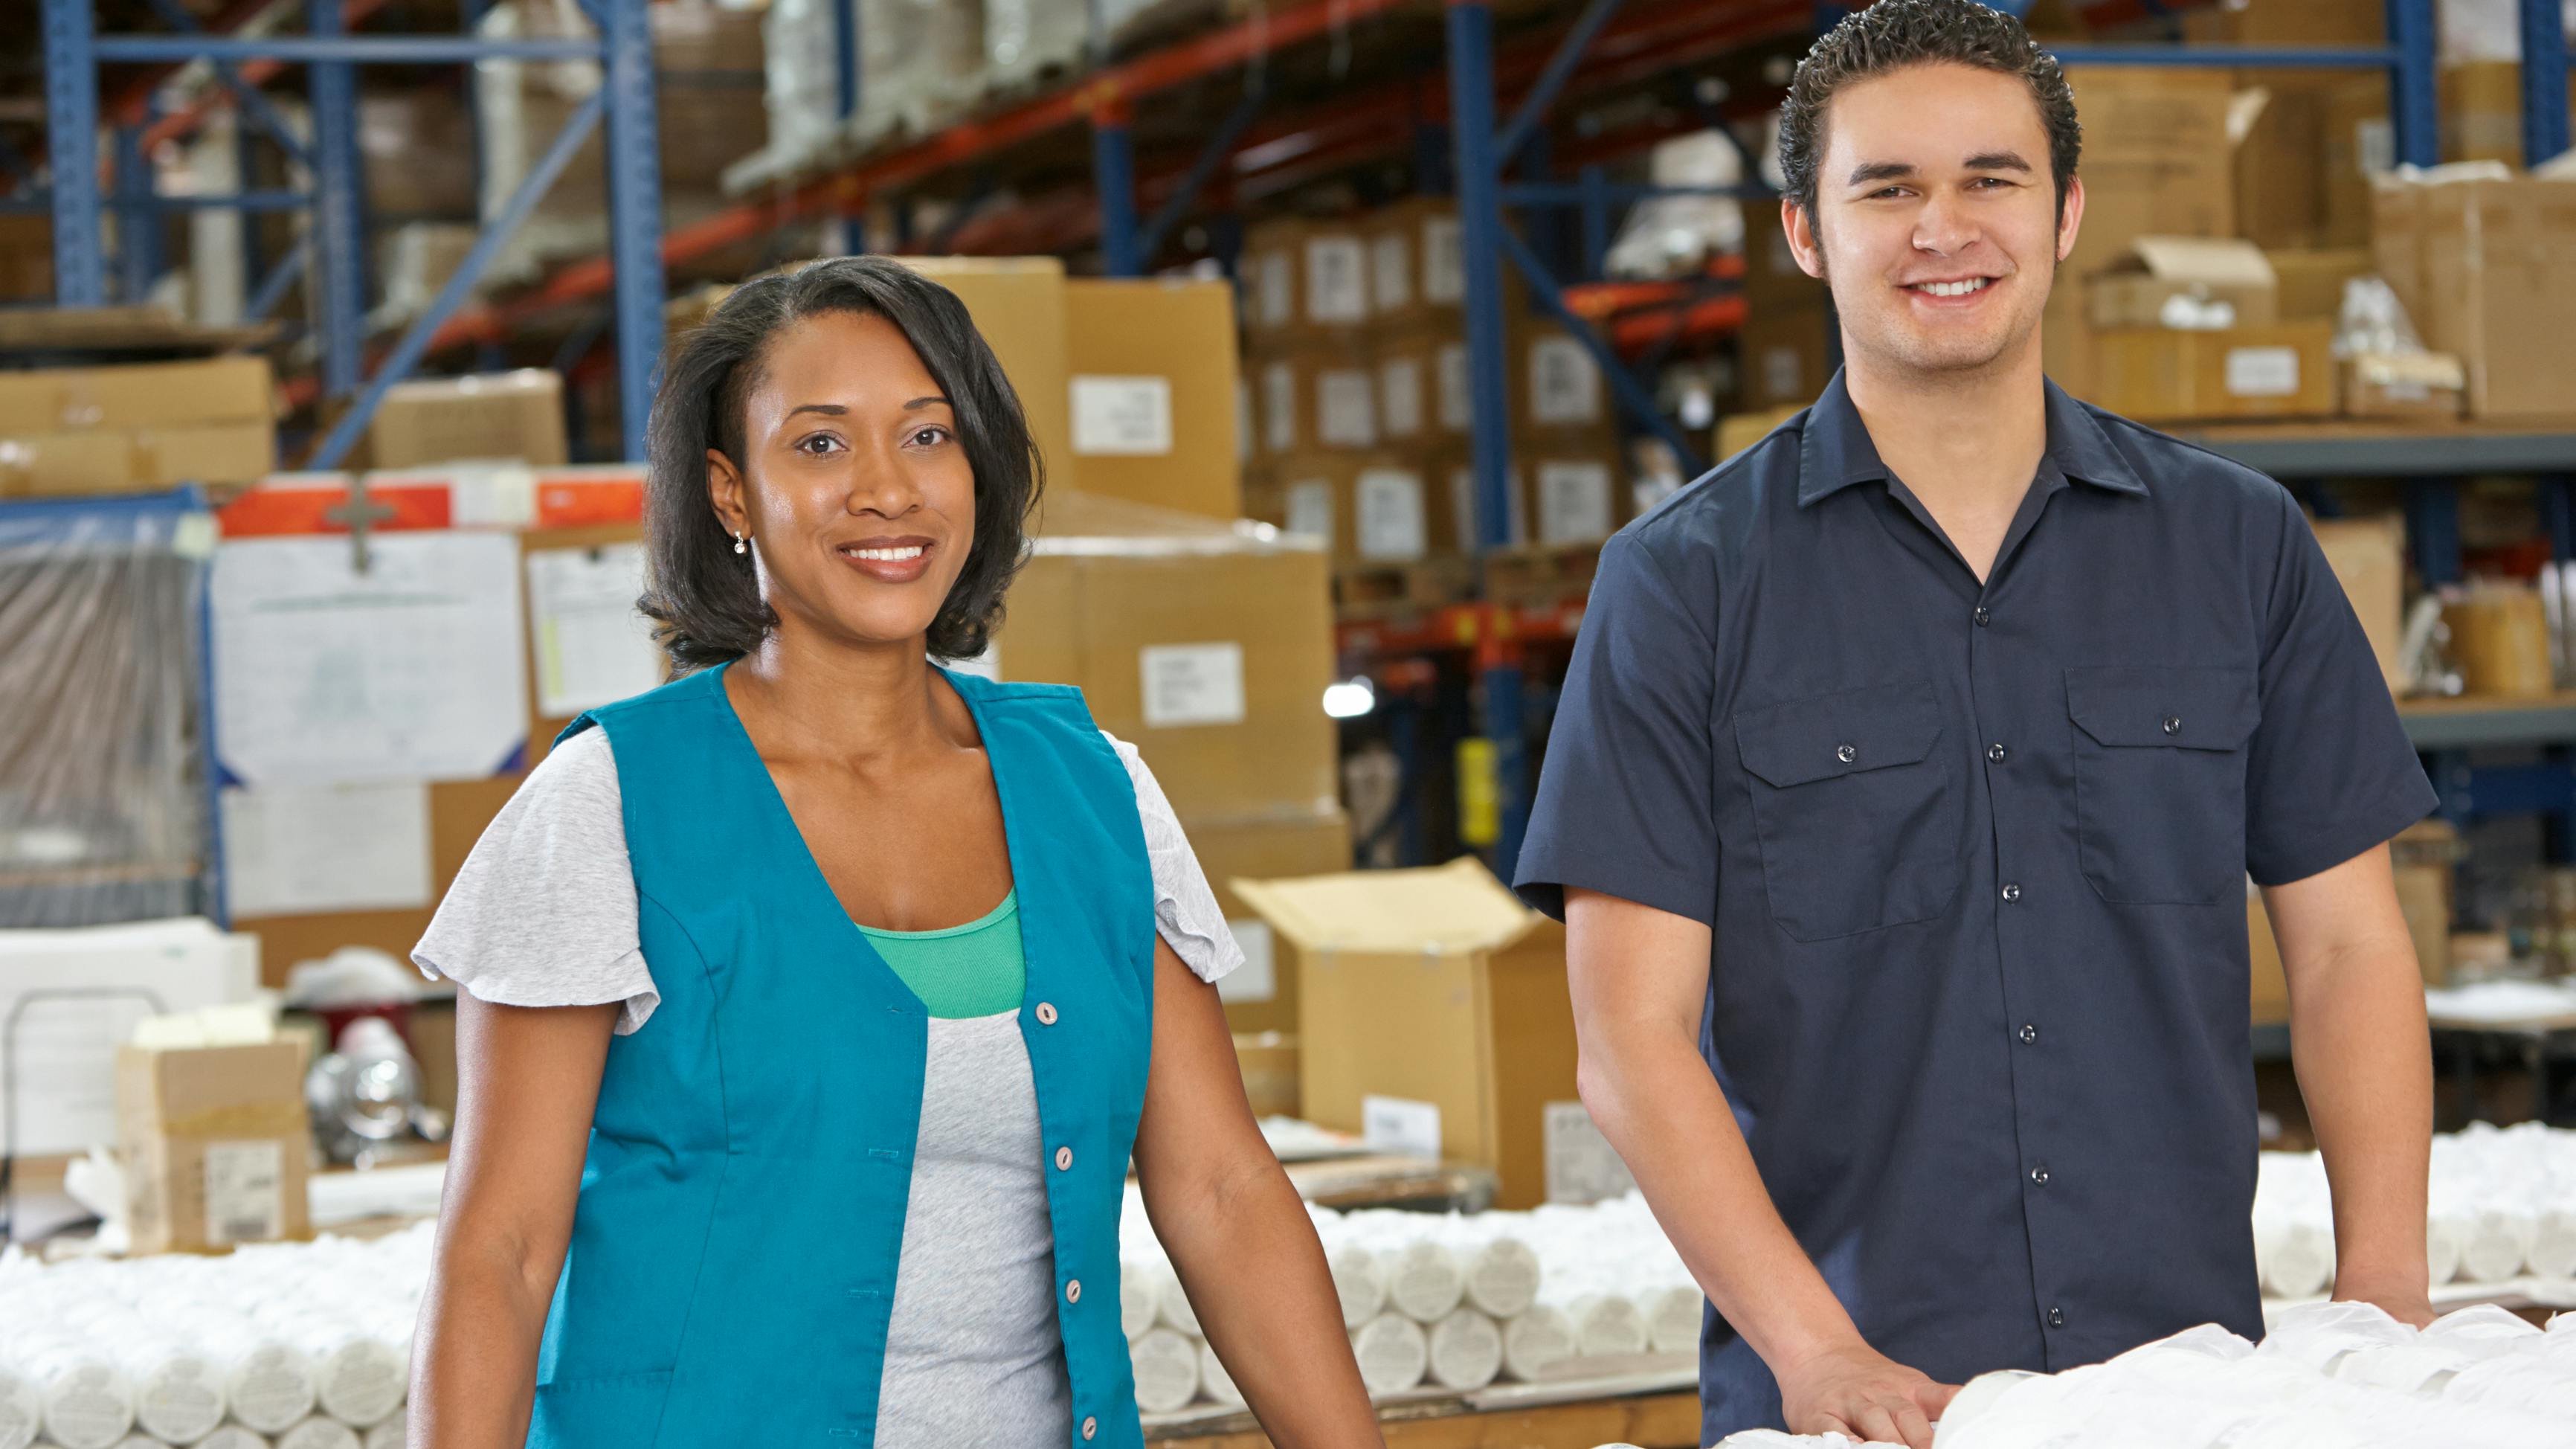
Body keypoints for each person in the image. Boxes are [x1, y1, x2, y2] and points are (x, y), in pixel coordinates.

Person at [1510, 4, 2439, 1446]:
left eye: (1989, 180)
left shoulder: (2237, 546)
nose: (1942, 229)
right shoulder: (1683, 583)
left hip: (2182, 1389)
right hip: (1853, 1406)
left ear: (2064, 214)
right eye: (1886, 188)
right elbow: (1630, 1037)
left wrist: (2380, 1289)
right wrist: (1818, 1352)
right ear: (1805, 233)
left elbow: (2349, 950)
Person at [405, 256, 1383, 1449]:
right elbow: (499, 1255)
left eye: (928, 436)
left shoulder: (1096, 793)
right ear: (729, 492)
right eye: (820, 445)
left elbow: (1223, 1191)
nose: (886, 490)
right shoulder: (609, 803)